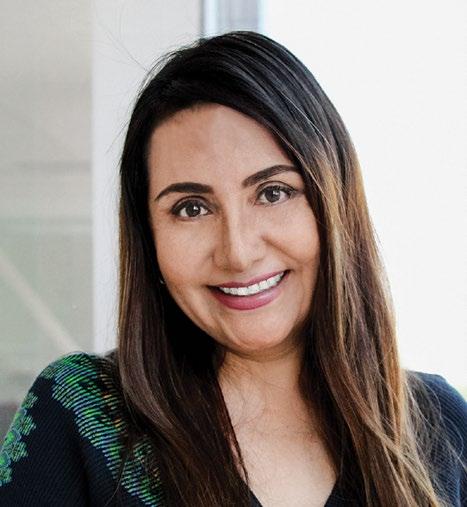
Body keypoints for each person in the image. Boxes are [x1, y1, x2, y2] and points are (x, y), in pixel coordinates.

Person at [0, 30, 465, 507]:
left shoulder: (442, 426)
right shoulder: (80, 413)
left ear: (334, 206)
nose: (238, 253)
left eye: (273, 193)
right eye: (192, 208)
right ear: (149, 237)